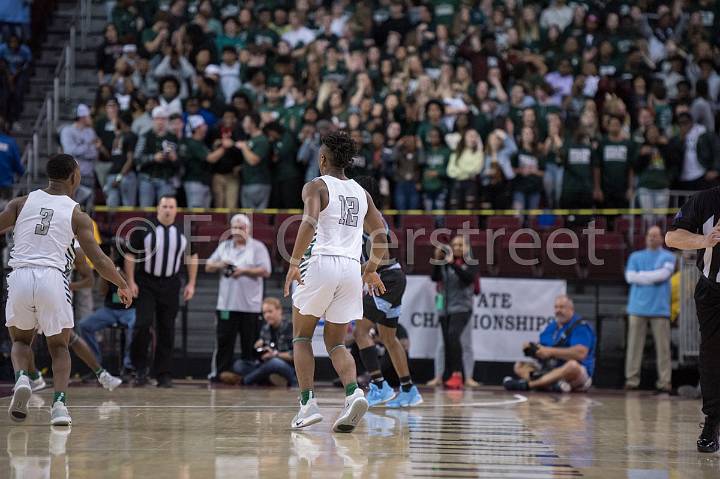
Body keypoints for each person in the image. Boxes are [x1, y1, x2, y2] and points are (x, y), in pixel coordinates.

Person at [4, 153, 132, 426]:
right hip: (52, 278)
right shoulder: (77, 214)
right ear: (74, 176)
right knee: (59, 347)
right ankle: (59, 406)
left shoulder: (20, 203)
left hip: (19, 276)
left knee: (20, 341)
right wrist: (122, 283)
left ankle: (22, 379)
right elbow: (98, 259)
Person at [283, 130, 387, 433]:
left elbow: (310, 222)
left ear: (323, 158)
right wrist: (370, 268)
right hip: (351, 270)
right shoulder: (361, 192)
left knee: (301, 337)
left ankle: (307, 405)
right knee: (336, 342)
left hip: (320, 264)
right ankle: (353, 392)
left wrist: (292, 262)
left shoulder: (316, 185)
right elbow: (381, 236)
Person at [352, 176, 423, 408]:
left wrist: (353, 269)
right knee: (389, 338)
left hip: (387, 277)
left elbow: (380, 256)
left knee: (361, 331)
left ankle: (380, 385)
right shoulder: (366, 218)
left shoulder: (370, 220)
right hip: (391, 277)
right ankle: (408, 389)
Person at [665, 189, 720, 452]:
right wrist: (706, 239)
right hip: (713, 290)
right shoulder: (706, 200)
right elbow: (672, 237)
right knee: (711, 356)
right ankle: (712, 422)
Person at [124, 195, 197, 388]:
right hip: (146, 282)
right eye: (164, 206)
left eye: (171, 207)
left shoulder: (183, 231)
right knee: (143, 325)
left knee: (167, 329)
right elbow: (130, 255)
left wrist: (191, 284)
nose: (167, 210)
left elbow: (193, 256)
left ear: (176, 209)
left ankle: (163, 373)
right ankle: (139, 369)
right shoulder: (144, 228)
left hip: (171, 284)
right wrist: (130, 281)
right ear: (158, 208)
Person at [205, 214, 272, 381]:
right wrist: (222, 264)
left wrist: (243, 271)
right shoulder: (225, 247)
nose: (238, 231)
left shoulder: (257, 247)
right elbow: (208, 266)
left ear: (248, 230)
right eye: (235, 228)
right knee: (224, 342)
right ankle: (220, 374)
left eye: (241, 228)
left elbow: (266, 270)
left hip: (250, 306)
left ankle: (252, 376)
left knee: (250, 344)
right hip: (227, 305)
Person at [503, 295, 595, 393]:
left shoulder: (580, 326)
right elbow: (543, 349)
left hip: (574, 373)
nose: (558, 310)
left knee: (572, 366)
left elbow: (580, 353)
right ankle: (552, 385)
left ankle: (529, 385)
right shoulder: (551, 327)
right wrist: (533, 349)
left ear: (571, 309)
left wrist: (550, 352)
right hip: (551, 369)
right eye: (556, 307)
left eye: (562, 307)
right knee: (519, 365)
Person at [624, 226, 675, 393]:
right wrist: (652, 276)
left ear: (661, 238)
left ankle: (665, 382)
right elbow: (630, 277)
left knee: (663, 349)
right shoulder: (635, 256)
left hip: (660, 310)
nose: (652, 238)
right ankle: (632, 381)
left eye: (655, 236)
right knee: (633, 347)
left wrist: (642, 276)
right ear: (646, 238)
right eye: (650, 235)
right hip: (637, 308)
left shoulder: (669, 256)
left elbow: (663, 275)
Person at [77, 242, 136, 376]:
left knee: (135, 327)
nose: (113, 255)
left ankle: (128, 365)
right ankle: (96, 364)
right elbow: (101, 291)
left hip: (129, 310)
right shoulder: (108, 267)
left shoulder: (130, 265)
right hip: (110, 310)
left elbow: (133, 290)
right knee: (84, 325)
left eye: (114, 252)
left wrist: (120, 273)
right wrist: (107, 272)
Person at [431, 235, 479, 390]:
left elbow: (467, 278)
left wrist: (453, 264)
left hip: (462, 308)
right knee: (447, 342)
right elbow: (435, 277)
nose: (457, 248)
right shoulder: (445, 263)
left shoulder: (470, 263)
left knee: (455, 337)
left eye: (461, 245)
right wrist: (438, 260)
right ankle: (447, 375)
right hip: (445, 308)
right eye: (454, 245)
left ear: (467, 247)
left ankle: (460, 375)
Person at [220, 297, 297, 387]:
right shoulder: (265, 329)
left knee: (274, 363)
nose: (267, 315)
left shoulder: (290, 327)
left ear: (279, 310)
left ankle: (243, 381)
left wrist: (275, 354)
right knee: (239, 365)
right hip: (266, 364)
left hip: (286, 366)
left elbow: (295, 355)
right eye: (264, 313)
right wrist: (259, 349)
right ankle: (267, 380)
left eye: (270, 311)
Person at [134, 106, 180, 207]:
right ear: (153, 120)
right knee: (146, 211)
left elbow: (179, 162)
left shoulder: (172, 138)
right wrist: (153, 158)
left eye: (163, 119)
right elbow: (137, 159)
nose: (160, 122)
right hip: (147, 179)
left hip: (166, 179)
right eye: (157, 119)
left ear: (167, 120)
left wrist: (174, 158)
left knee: (165, 212)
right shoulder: (145, 136)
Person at [60, 104, 100, 210]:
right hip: (73, 176)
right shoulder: (67, 131)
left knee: (88, 210)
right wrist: (88, 146)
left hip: (89, 175)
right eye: (89, 116)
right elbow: (69, 151)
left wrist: (80, 151)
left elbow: (94, 153)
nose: (90, 118)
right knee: (71, 208)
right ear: (83, 117)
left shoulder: (90, 132)